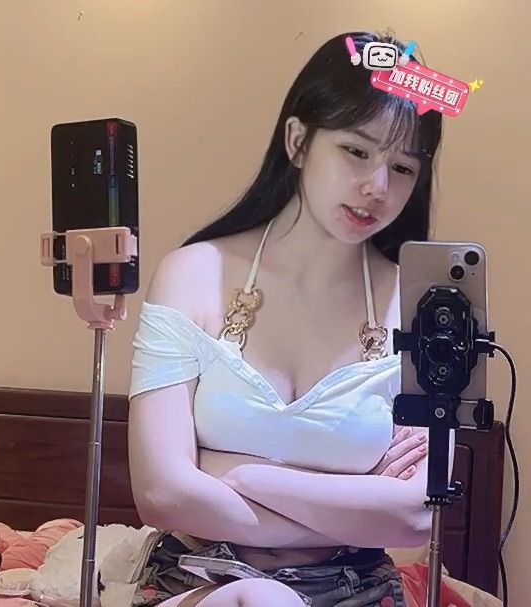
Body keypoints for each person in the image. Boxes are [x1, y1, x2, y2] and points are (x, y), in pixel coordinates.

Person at [126, 30, 449, 607]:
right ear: (298, 141)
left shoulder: (422, 304)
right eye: (356, 151)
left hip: (355, 588)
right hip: (202, 579)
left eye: (402, 167)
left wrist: (243, 475)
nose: (377, 186)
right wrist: (354, 500)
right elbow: (161, 493)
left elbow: (414, 518)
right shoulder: (193, 273)